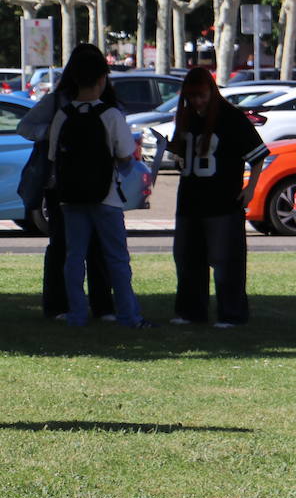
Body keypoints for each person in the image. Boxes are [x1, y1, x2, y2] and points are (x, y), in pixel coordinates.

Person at [46, 45, 152, 328]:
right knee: (116, 259)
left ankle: (77, 315)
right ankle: (129, 316)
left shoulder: (63, 115)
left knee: (73, 257)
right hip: (106, 197)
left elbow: (53, 157)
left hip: (69, 198)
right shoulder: (111, 115)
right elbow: (125, 155)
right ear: (103, 79)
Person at [18, 49, 116, 321]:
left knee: (91, 247)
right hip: (63, 185)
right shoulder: (57, 103)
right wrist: (51, 133)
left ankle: (99, 305)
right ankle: (62, 305)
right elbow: (26, 127)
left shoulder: (105, 104)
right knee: (65, 246)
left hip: (94, 184)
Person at [168, 68, 269, 327]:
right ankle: (190, 312)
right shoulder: (186, 117)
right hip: (190, 202)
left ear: (211, 92)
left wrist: (251, 188)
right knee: (188, 260)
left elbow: (257, 156)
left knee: (227, 263)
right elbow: (180, 153)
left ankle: (231, 314)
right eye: (191, 96)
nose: (197, 101)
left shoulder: (231, 118)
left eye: (201, 95)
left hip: (223, 202)